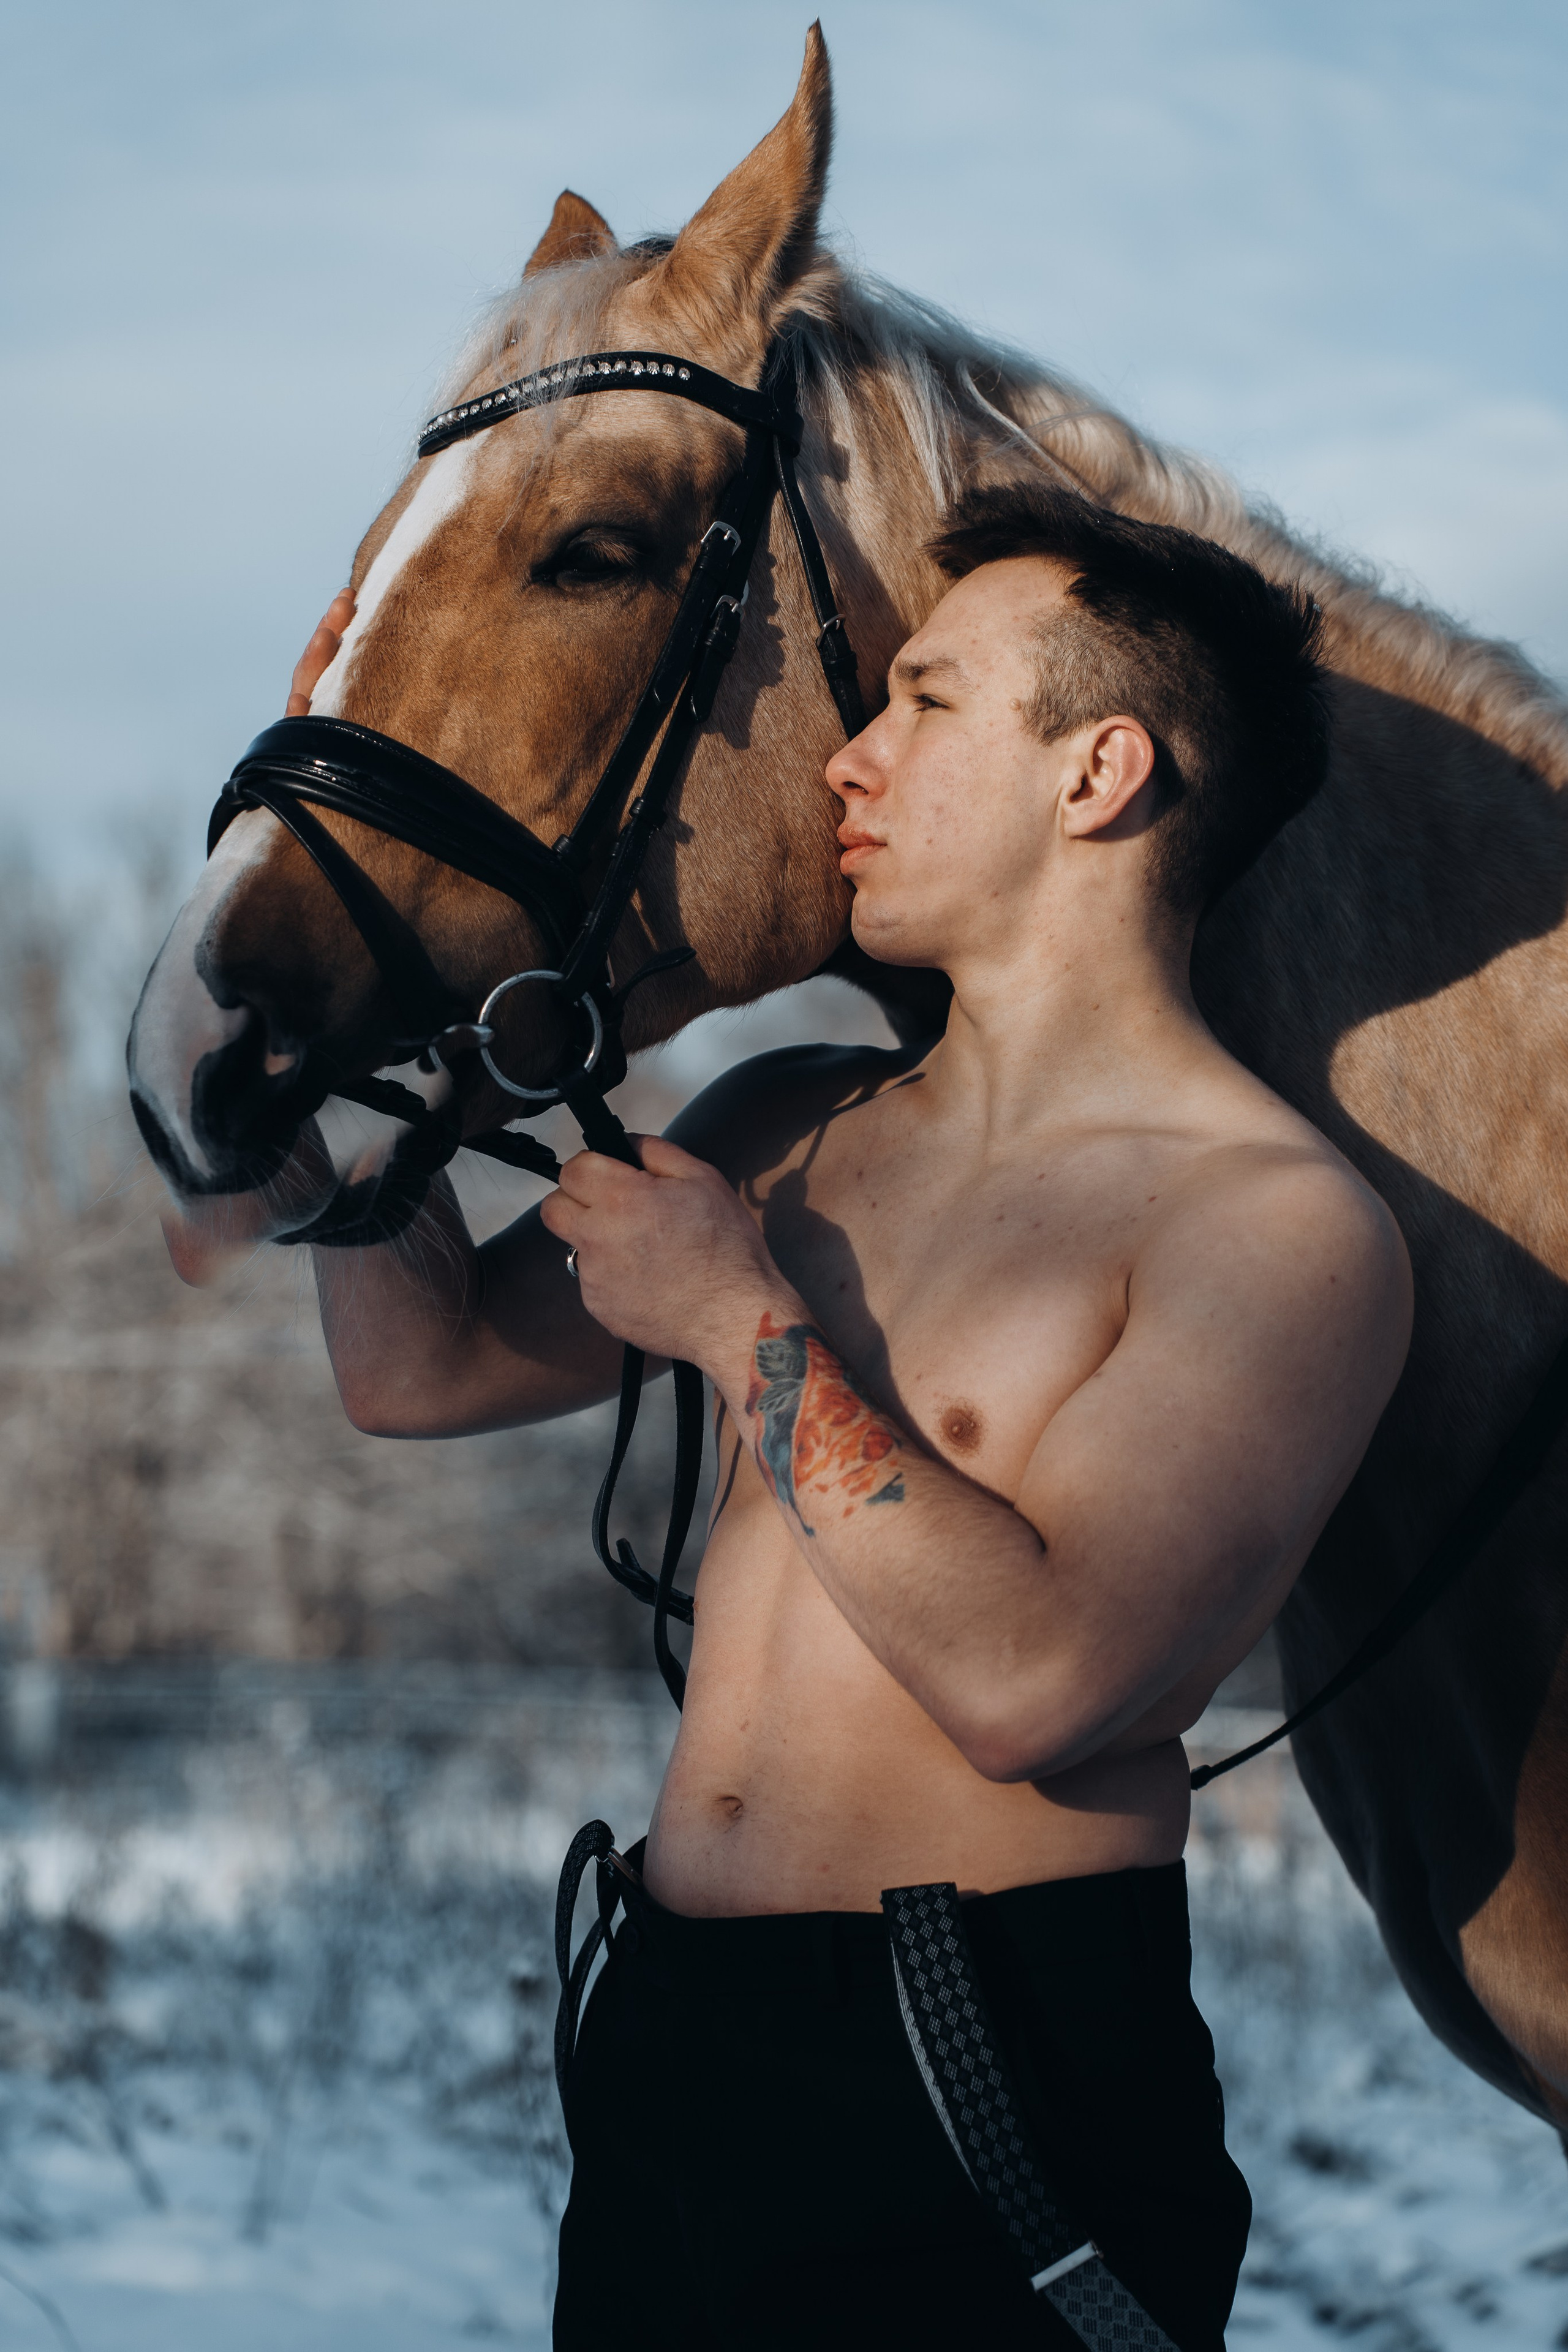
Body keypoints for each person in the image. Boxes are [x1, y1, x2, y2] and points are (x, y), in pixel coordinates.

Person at [187, 487, 1413, 2347]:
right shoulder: (789, 1121)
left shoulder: (1278, 1229)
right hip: (672, 2031)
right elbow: (417, 1371)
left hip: (980, 2065)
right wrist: (328, 1076)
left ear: (1099, 775)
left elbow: (1040, 1683)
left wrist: (743, 1318)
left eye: (923, 700)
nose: (851, 755)